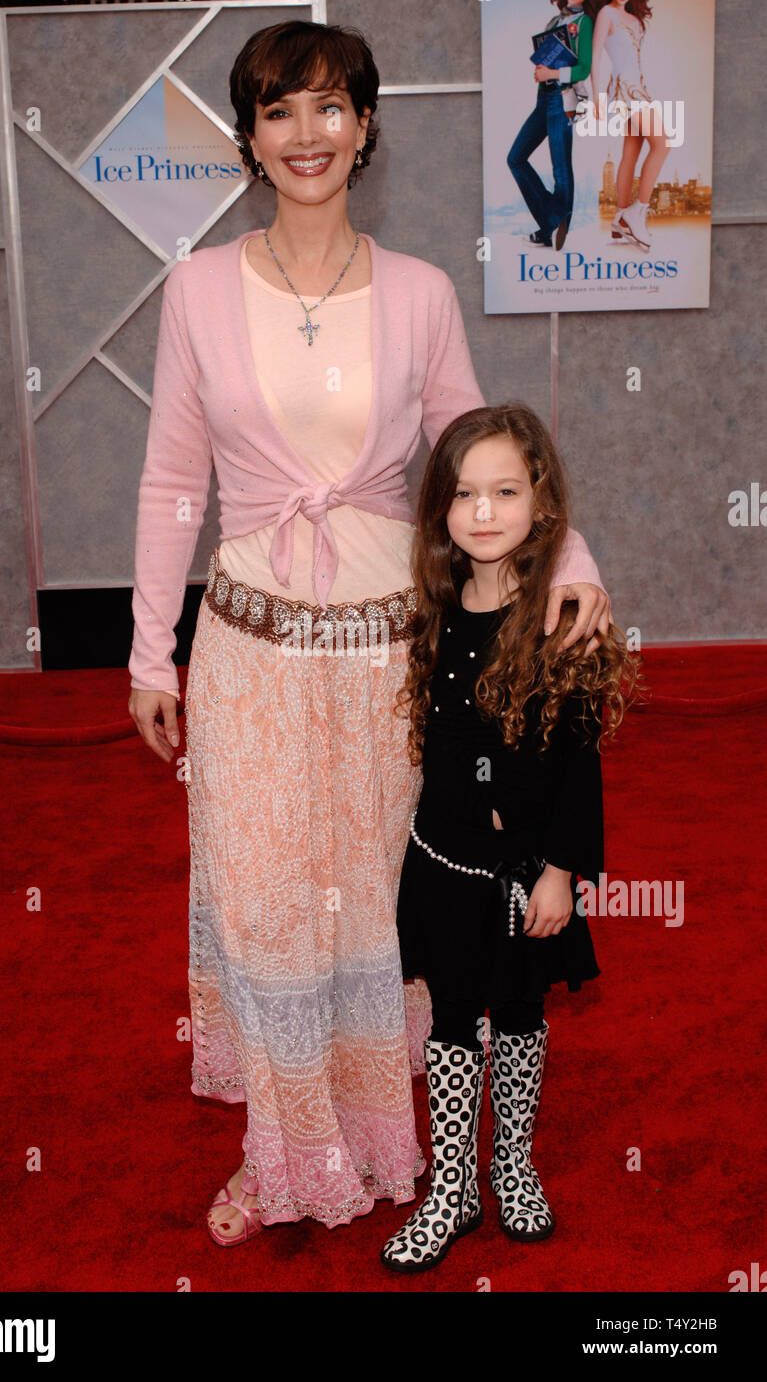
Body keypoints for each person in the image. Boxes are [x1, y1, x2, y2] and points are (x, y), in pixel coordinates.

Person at [126, 20, 611, 1246]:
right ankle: (283, 1157)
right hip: (246, 654)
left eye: (330, 108)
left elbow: (476, 458)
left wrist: (579, 562)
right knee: (263, 907)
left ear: (366, 128)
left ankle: (391, 1149)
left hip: (393, 663)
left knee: (376, 915)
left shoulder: (418, 293)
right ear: (248, 136)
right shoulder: (194, 290)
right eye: (280, 112)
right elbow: (171, 482)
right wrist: (146, 651)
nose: (307, 135)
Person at [381, 402, 638, 1272]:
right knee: (452, 1019)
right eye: (463, 494)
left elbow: (577, 762)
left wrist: (562, 871)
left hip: (529, 873)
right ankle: (449, 1188)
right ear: (440, 510)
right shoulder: (436, 605)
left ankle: (512, 1164)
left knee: (521, 1015)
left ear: (541, 504)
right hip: (444, 863)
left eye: (503, 491)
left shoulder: (559, 618)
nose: (482, 512)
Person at [506, 0, 602, 252]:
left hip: (563, 99)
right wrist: (540, 72)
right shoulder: (553, 21)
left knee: (560, 168)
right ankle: (551, 220)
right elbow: (545, 57)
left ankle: (551, 230)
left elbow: (583, 68)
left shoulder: (585, 23)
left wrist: (552, 72)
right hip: (544, 99)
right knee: (515, 158)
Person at [590, 0, 670, 251]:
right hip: (626, 87)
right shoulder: (606, 14)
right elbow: (596, 57)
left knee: (631, 153)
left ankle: (620, 220)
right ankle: (637, 212)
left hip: (638, 85)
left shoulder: (634, 17)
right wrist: (596, 98)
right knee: (662, 144)